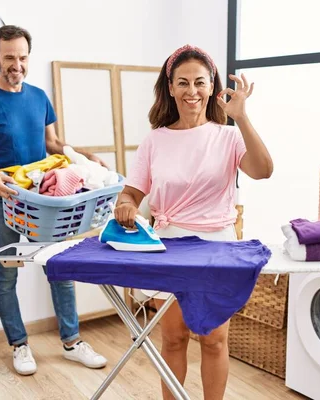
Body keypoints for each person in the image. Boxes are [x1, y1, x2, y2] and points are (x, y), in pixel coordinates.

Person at [114, 44, 273, 400]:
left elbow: (263, 171)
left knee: (214, 340)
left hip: (218, 248)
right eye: (183, 83)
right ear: (170, 87)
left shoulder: (229, 136)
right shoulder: (155, 141)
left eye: (199, 82)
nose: (191, 91)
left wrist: (242, 117)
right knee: (173, 338)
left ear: (212, 86)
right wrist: (125, 206)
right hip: (169, 246)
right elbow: (131, 195)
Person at [0, 25, 107, 376]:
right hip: (1, 201)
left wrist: (85, 156)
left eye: (22, 57)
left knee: (59, 267)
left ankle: (72, 342)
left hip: (43, 202)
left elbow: (53, 145)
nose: (17, 64)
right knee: (6, 274)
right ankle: (19, 345)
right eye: (9, 57)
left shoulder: (39, 96)